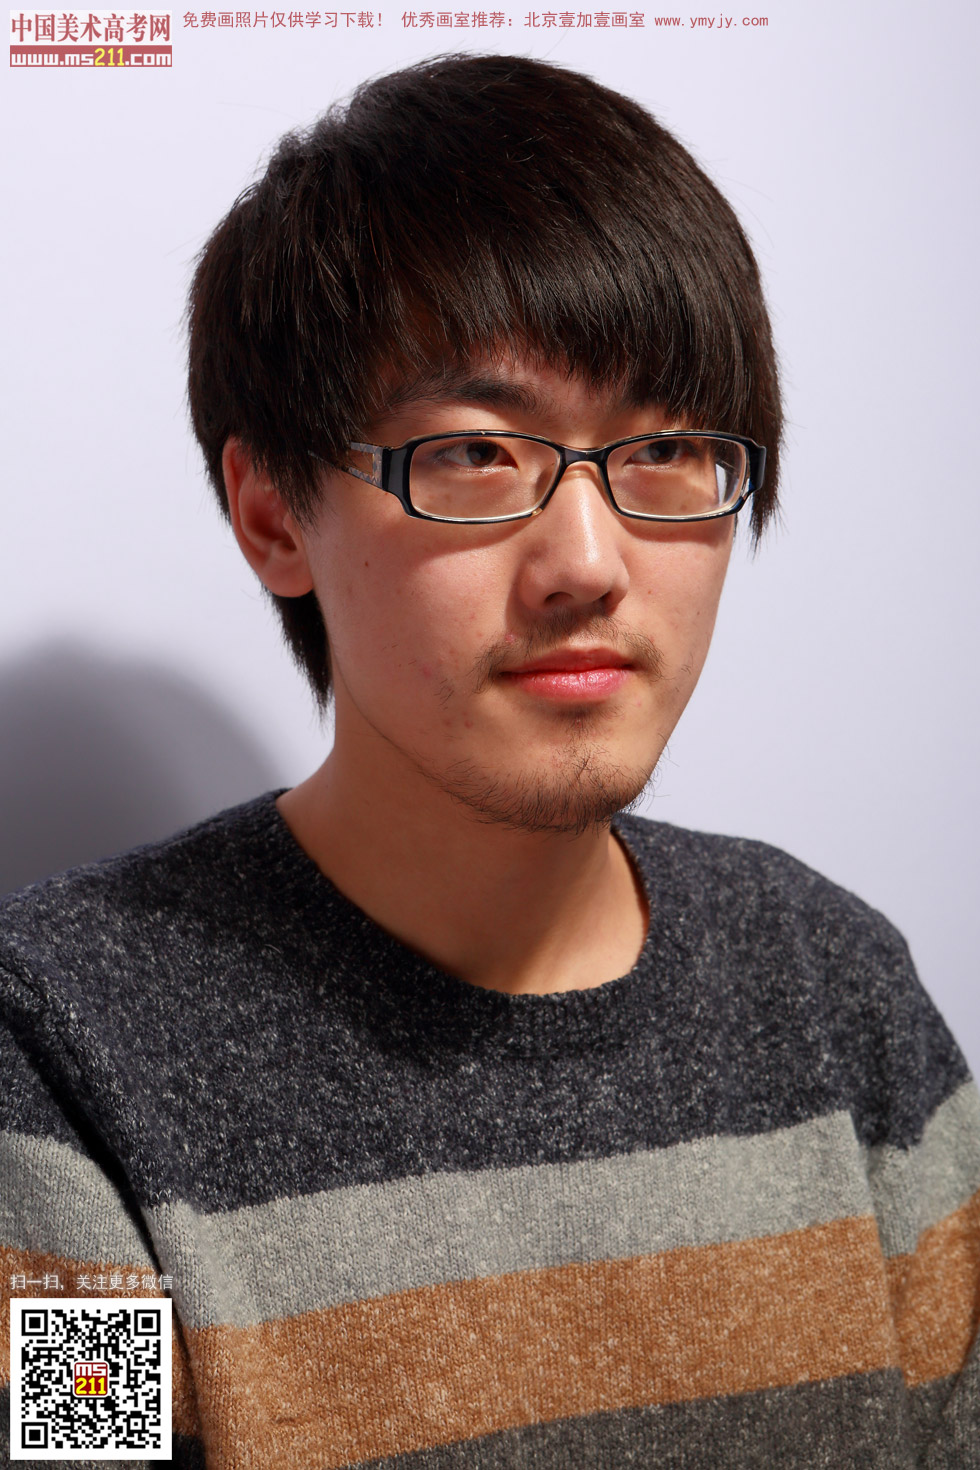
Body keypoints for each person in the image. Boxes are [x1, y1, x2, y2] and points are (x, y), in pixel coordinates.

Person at [2, 52, 978, 1469]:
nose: (588, 562)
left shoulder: (839, 992)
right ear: (272, 513)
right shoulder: (60, 1055)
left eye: (666, 448)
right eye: (473, 456)